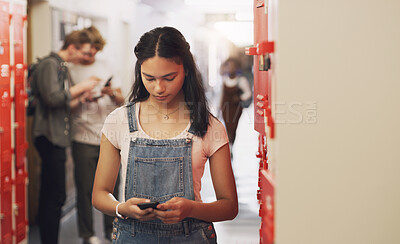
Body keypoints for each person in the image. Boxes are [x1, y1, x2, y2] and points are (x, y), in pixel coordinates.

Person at [92, 26, 238, 243]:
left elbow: (229, 207)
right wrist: (122, 207)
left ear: (186, 70)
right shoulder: (119, 120)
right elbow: (99, 194)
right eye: (149, 78)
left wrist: (190, 209)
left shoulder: (208, 125)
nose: (159, 88)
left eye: (169, 78)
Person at [32, 30, 100, 244]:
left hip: (58, 137)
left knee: (55, 195)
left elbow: (64, 104)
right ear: (72, 47)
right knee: (54, 195)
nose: (85, 58)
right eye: (84, 52)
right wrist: (81, 86)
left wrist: (82, 97)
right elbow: (52, 99)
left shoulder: (61, 66)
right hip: (49, 137)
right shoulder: (50, 65)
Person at [69, 26, 124, 244]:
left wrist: (110, 92)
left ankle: (111, 230)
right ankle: (87, 234)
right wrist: (83, 96)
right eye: (86, 52)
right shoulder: (71, 70)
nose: (90, 56)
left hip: (109, 138)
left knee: (112, 187)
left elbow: (122, 98)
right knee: (84, 189)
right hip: (82, 136)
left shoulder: (106, 66)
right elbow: (65, 104)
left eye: (93, 52)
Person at [220, 57, 252, 147]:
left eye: (232, 66)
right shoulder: (224, 80)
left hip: (236, 109)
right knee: (227, 128)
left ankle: (231, 145)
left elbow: (248, 93)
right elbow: (221, 95)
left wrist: (239, 98)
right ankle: (229, 146)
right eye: (228, 66)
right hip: (225, 108)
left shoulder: (241, 80)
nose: (230, 68)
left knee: (233, 128)